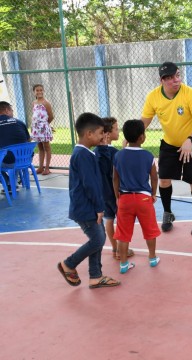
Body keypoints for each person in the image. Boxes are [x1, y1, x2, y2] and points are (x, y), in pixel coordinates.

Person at [140, 61, 192, 235]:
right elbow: (145, 121)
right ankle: (168, 213)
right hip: (169, 144)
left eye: (177, 75)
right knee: (164, 179)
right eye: (170, 78)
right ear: (162, 80)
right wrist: (131, 137)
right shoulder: (153, 96)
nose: (176, 80)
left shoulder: (190, 94)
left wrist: (190, 140)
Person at [57, 112, 120, 289]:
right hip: (86, 208)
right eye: (101, 133)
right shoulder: (83, 155)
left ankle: (95, 276)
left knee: (98, 239)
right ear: (89, 134)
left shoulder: (85, 153)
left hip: (89, 206)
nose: (103, 136)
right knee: (97, 240)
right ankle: (68, 264)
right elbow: (90, 184)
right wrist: (99, 208)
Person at [113, 119, 161, 274]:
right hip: (143, 199)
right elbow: (154, 177)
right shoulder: (148, 156)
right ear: (142, 137)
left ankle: (124, 264)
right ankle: (152, 258)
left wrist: (117, 196)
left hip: (125, 198)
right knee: (149, 229)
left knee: (123, 232)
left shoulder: (118, 155)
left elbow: (115, 178)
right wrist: (153, 193)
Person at [94, 117, 135, 260]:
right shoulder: (115, 153)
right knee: (122, 221)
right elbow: (118, 171)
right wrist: (125, 150)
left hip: (103, 192)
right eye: (116, 129)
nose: (119, 132)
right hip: (117, 193)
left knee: (109, 219)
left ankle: (115, 248)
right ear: (108, 134)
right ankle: (122, 250)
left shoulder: (96, 151)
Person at [0, 101, 30, 192]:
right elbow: (28, 140)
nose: (13, 113)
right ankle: (12, 181)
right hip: (25, 159)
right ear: (6, 110)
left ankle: (7, 181)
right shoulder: (20, 122)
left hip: (8, 161)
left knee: (7, 154)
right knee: (13, 153)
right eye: (12, 110)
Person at [31, 84, 54, 175]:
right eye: (37, 90)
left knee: (46, 147)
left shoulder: (46, 103)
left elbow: (51, 116)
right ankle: (40, 167)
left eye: (41, 90)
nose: (39, 92)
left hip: (43, 127)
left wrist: (45, 124)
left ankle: (47, 168)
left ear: (43, 91)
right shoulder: (34, 103)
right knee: (40, 147)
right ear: (34, 92)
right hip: (36, 128)